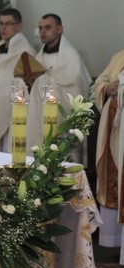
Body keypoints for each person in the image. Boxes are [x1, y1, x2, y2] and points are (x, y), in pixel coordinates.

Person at [26, 14, 91, 159]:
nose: (43, 32)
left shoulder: (71, 56)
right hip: (42, 114)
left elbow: (76, 90)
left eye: (48, 27)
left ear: (60, 29)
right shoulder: (39, 57)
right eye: (40, 28)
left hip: (62, 117)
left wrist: (45, 81)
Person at [0, 8, 35, 152]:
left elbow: (22, 83)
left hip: (13, 111)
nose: (3, 28)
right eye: (0, 24)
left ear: (19, 26)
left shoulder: (25, 50)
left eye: (8, 24)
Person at [91, 49, 124, 252]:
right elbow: (98, 83)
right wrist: (107, 88)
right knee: (112, 178)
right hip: (112, 130)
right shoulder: (118, 56)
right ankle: (112, 240)